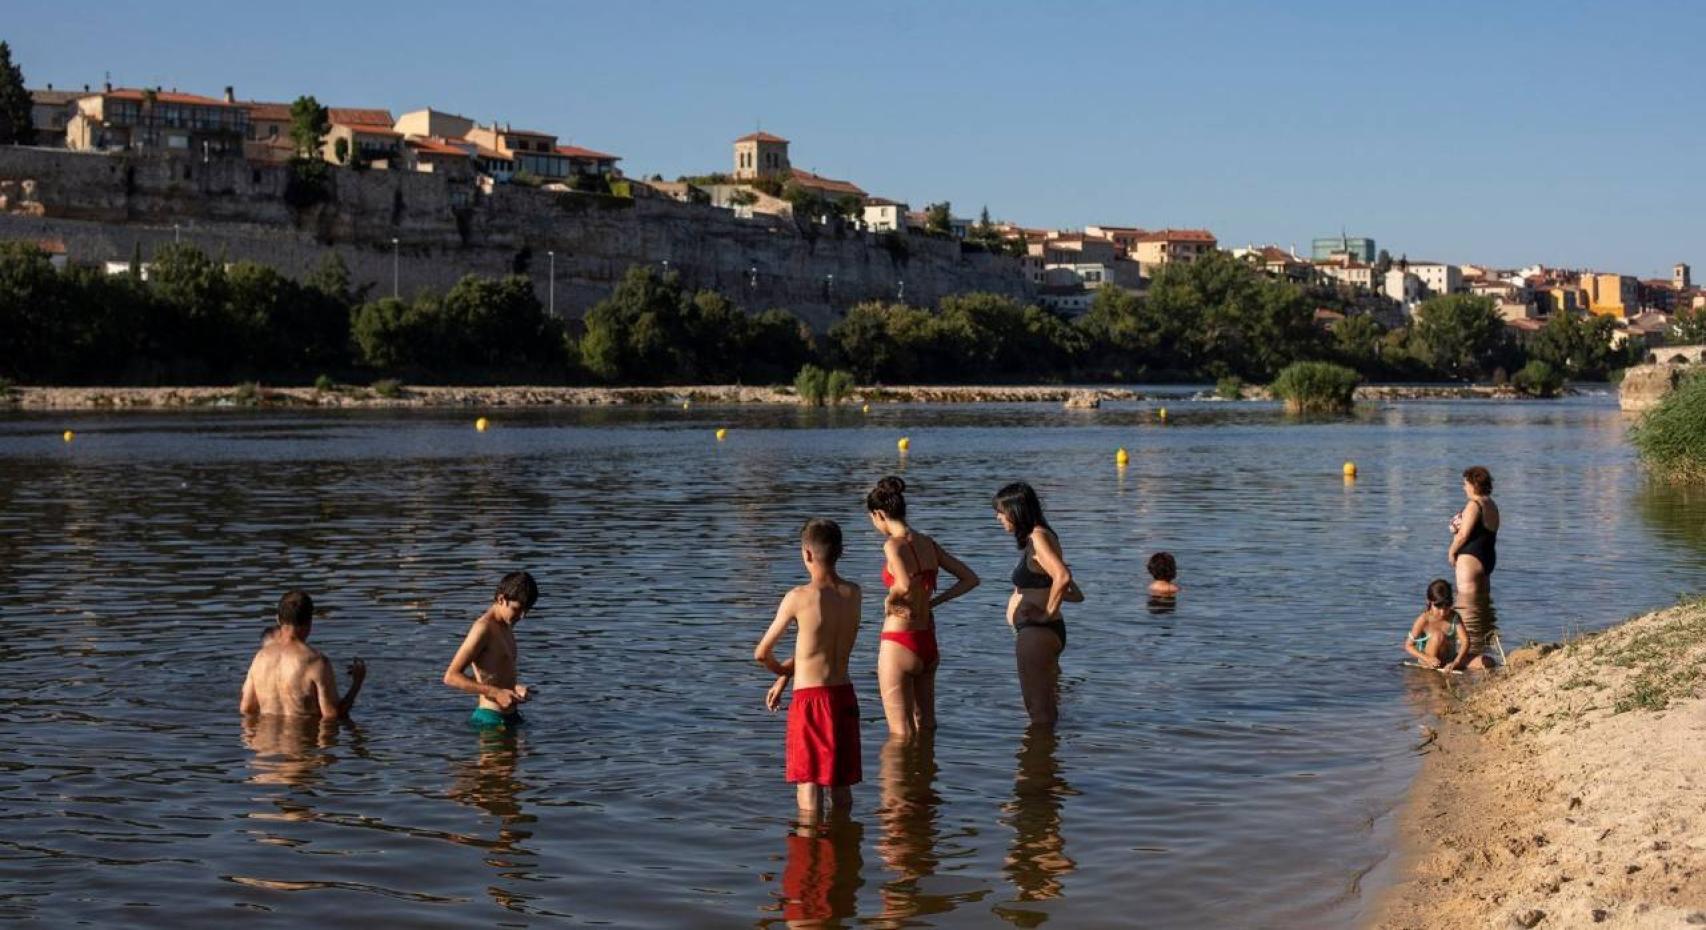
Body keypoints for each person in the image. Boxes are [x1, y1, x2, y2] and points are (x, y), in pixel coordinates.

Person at [756, 518, 864, 813]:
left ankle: (809, 852)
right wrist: (786, 678)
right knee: (842, 786)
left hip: (811, 702)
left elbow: (762, 653)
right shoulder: (854, 594)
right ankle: (844, 848)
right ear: (841, 552)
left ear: (806, 554)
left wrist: (779, 671)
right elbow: (818, 649)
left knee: (809, 784)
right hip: (843, 696)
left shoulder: (798, 598)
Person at [866, 476, 980, 739]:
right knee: (926, 725)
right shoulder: (928, 543)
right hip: (927, 638)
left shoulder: (892, 545)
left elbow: (904, 584)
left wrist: (889, 599)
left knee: (899, 734)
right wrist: (935, 602)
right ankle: (925, 775)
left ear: (879, 514)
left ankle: (898, 779)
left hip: (899, 641)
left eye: (873, 519)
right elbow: (970, 579)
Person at [993, 482, 1081, 728]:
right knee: (1044, 707)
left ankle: (1037, 763)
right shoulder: (1043, 535)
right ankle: (1047, 759)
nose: (998, 517)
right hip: (1042, 632)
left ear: (1016, 511)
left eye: (1001, 512)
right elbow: (1064, 583)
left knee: (1039, 713)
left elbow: (1062, 577)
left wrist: (1045, 614)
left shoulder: (1038, 537)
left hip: (1037, 632)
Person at [239, 590, 365, 718]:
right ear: (309, 622)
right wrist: (356, 683)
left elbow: (246, 708)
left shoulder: (260, 658)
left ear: (278, 619)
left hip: (265, 737)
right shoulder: (316, 662)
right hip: (302, 738)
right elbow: (331, 715)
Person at [442, 571, 540, 729]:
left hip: (511, 718)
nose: (522, 616)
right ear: (502, 599)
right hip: (490, 720)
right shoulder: (483, 628)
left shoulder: (506, 626)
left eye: (527, 610)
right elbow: (451, 677)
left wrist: (515, 689)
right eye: (518, 609)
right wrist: (496, 693)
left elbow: (495, 674)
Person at [1448, 465, 1500, 666]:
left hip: (1470, 559)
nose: (1464, 487)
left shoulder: (1474, 505)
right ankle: (1485, 653)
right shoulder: (1492, 504)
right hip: (1487, 558)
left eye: (1465, 483)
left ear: (1472, 484)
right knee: (1482, 606)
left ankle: (1469, 659)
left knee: (1467, 611)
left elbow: (1463, 534)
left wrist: (1452, 550)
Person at [1404, 579, 1472, 672]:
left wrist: (1457, 661)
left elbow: (1465, 641)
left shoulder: (1454, 617)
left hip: (1450, 659)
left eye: (1447, 606)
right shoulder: (1424, 620)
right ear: (1429, 602)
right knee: (1438, 635)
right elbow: (1408, 646)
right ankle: (1431, 675)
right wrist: (1428, 659)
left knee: (1487, 661)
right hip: (1430, 660)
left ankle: (1448, 668)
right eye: (1438, 606)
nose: (1442, 612)